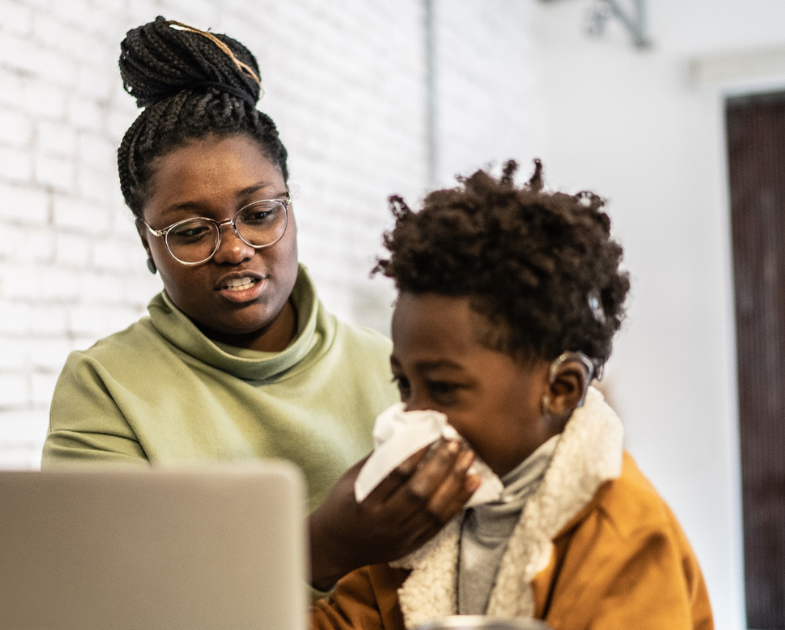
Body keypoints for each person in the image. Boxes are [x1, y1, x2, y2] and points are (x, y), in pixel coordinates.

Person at [42, 17, 478, 590]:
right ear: (147, 243)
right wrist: (320, 548)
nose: (233, 248)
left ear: (291, 211)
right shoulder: (105, 388)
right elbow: (102, 596)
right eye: (191, 231)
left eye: (260, 214)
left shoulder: (392, 369)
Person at [310, 161, 715, 629]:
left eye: (443, 388)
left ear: (561, 390)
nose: (413, 416)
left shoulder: (623, 533)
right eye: (404, 385)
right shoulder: (419, 527)